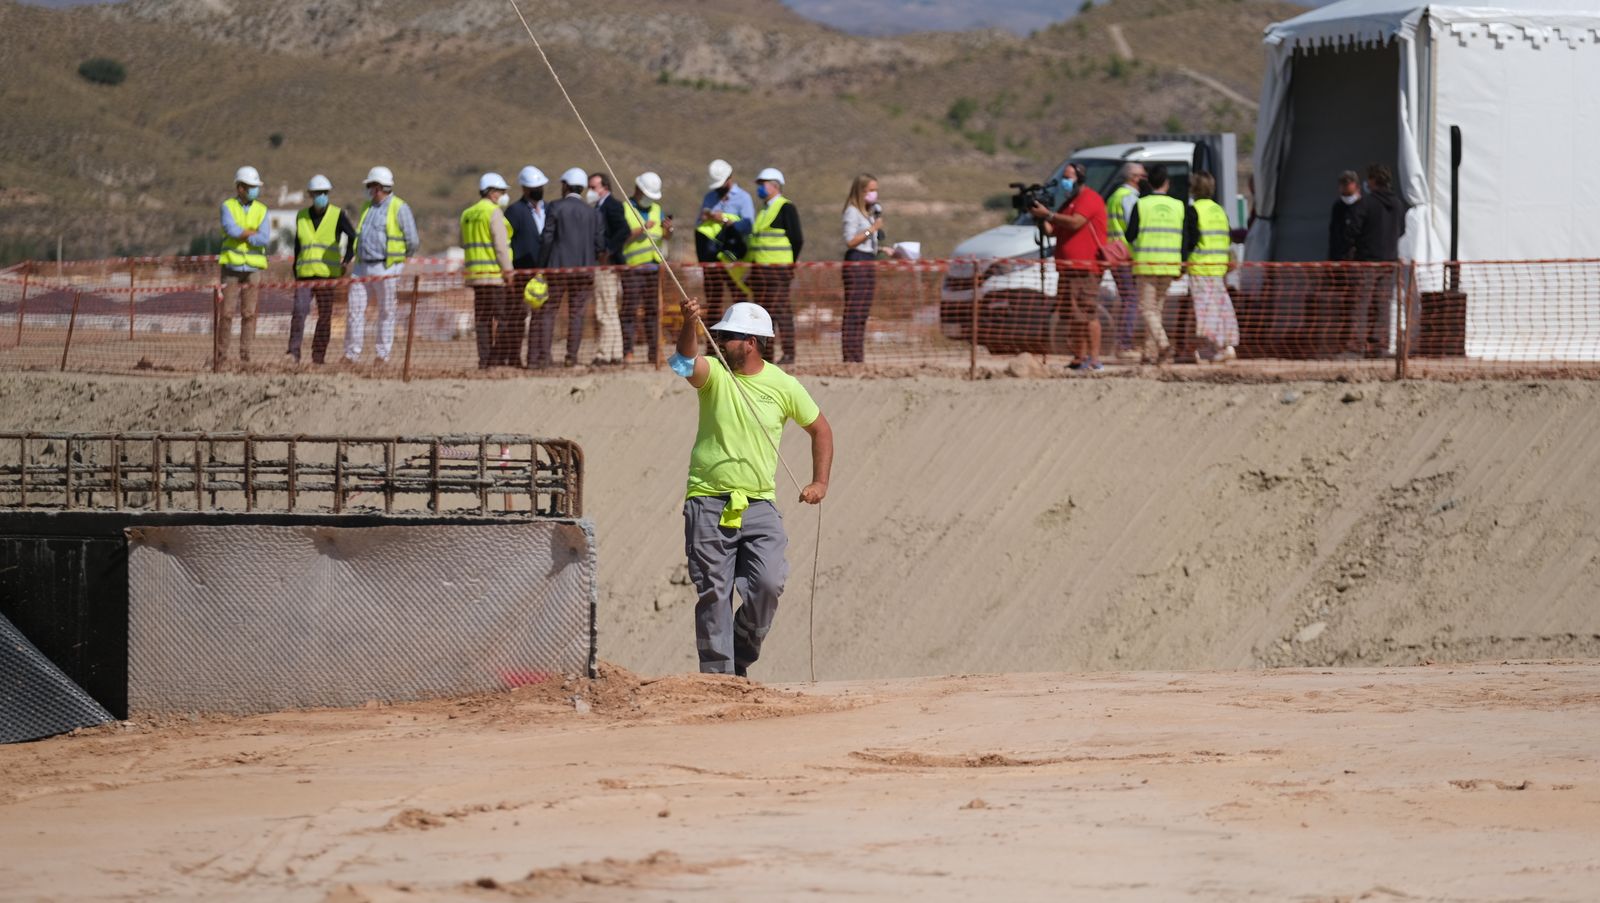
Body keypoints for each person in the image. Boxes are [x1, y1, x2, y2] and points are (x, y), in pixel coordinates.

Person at [669, 298, 833, 677]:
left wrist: (820, 482)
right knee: (714, 591)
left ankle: (740, 654)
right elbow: (682, 364)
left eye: (726, 337)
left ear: (750, 342)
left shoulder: (783, 385)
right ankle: (719, 678)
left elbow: (820, 429)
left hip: (759, 504)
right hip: (707, 501)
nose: (719, 341)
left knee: (768, 583)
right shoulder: (715, 375)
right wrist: (689, 325)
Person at [1029, 162, 1108, 371]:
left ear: (1080, 177)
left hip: (1086, 268)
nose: (1065, 181)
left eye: (1069, 176)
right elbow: (1051, 229)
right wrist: (1037, 214)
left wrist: (1048, 215)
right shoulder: (1068, 202)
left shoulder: (1090, 199)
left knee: (1087, 312)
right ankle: (1079, 357)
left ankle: (1094, 359)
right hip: (1066, 269)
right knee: (1072, 314)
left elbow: (1075, 222)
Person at [1125, 163, 1197, 365]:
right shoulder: (1178, 206)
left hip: (1147, 264)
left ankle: (1164, 345)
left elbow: (1130, 235)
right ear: (1167, 183)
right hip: (1169, 264)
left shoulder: (1141, 204)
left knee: (1147, 309)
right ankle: (1150, 353)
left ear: (1149, 182)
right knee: (1156, 310)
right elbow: (1184, 238)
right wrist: (1182, 264)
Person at [347, 166, 419, 366]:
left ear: (378, 187)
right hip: (362, 267)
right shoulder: (366, 207)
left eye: (371, 186)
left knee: (386, 312)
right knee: (355, 310)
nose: (369, 190)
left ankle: (382, 355)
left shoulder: (399, 207)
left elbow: (412, 240)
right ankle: (351, 353)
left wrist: (400, 261)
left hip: (386, 267)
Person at [534, 167, 604, 368]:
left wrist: (542, 266)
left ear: (565, 185)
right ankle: (571, 357)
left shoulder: (555, 207)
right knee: (577, 314)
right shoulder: (593, 213)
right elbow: (599, 245)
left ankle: (545, 357)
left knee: (549, 312)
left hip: (558, 270)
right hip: (584, 271)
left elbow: (547, 239)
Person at [288, 174, 355, 365]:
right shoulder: (301, 216)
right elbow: (297, 246)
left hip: (327, 275)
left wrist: (346, 260)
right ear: (310, 194)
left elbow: (353, 237)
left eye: (324, 193)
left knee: (325, 316)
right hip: (304, 275)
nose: (321, 196)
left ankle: (318, 357)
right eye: (317, 193)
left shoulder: (338, 215)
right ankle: (293, 353)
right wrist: (295, 270)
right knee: (299, 312)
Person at [748, 167, 804, 365]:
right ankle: (766, 356)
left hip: (779, 270)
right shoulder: (763, 210)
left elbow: (797, 239)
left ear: (774, 185)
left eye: (762, 184)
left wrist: (790, 264)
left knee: (781, 310)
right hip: (761, 271)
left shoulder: (786, 207)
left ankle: (788, 353)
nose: (760, 189)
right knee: (764, 313)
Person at [461, 172, 515, 370]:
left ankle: (484, 360)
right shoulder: (493, 212)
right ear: (492, 192)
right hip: (493, 276)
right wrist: (508, 271)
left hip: (475, 277)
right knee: (502, 317)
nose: (502, 195)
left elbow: (462, 242)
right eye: (501, 191)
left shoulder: (467, 213)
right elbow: (500, 246)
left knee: (482, 320)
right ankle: (497, 358)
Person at [1351, 163, 1406, 358]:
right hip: (1389, 262)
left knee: (1362, 303)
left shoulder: (1366, 203)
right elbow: (1401, 230)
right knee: (1383, 304)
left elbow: (1354, 230)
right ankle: (1379, 345)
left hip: (1367, 262)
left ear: (1373, 180)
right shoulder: (1398, 204)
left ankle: (1357, 345)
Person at [217, 165, 269, 366]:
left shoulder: (262, 210)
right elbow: (231, 230)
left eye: (255, 186)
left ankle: (245, 357)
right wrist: (251, 233)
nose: (255, 190)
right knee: (226, 313)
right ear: (240, 188)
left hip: (253, 270)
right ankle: (222, 357)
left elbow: (264, 238)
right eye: (251, 186)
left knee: (249, 314)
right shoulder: (227, 206)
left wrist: (244, 234)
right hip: (231, 267)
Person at [1187, 171, 1239, 363]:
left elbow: (1190, 242)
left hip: (1200, 267)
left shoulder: (1194, 210)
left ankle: (1218, 347)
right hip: (1218, 267)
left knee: (1206, 311)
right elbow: (1227, 239)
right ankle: (1228, 346)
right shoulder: (1219, 210)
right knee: (1221, 307)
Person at [619, 172, 671, 367]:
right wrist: (641, 229)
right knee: (629, 311)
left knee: (653, 311)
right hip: (632, 269)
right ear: (639, 189)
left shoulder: (657, 209)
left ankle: (654, 351)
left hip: (654, 269)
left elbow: (664, 238)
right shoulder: (624, 209)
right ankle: (628, 351)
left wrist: (668, 231)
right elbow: (620, 238)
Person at [697, 159, 757, 322]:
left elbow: (748, 225)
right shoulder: (709, 198)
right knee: (713, 301)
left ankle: (741, 336)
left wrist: (725, 220)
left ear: (730, 178)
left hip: (733, 260)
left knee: (739, 298)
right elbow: (699, 225)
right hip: (712, 259)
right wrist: (706, 218)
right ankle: (713, 345)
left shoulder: (743, 198)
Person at [504, 165, 549, 367]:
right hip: (522, 270)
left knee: (542, 316)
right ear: (524, 189)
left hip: (545, 272)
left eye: (540, 186)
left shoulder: (549, 209)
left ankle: (538, 357)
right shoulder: (514, 211)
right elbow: (507, 241)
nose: (538, 189)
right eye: (534, 187)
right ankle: (513, 356)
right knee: (517, 315)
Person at [840, 173, 883, 363]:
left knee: (863, 311)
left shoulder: (870, 213)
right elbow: (851, 240)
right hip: (856, 262)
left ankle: (859, 355)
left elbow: (866, 243)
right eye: (871, 190)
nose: (874, 194)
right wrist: (872, 230)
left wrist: (883, 249)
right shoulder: (852, 212)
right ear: (861, 191)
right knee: (854, 310)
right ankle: (850, 356)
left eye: (876, 190)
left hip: (868, 259)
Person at [1106, 161, 1145, 360]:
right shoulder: (1129, 198)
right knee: (1131, 300)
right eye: (1142, 176)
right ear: (1134, 177)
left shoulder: (1114, 196)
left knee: (1125, 299)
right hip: (1126, 254)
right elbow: (1133, 227)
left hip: (1114, 253)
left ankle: (1120, 341)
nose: (1145, 180)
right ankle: (1125, 343)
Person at [589, 172, 629, 365]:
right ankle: (615, 352)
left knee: (605, 309)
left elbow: (624, 229)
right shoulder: (598, 206)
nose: (590, 191)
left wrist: (609, 250)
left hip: (608, 265)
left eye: (593, 187)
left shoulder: (612, 205)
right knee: (609, 309)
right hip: (604, 264)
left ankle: (605, 353)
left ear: (604, 187)